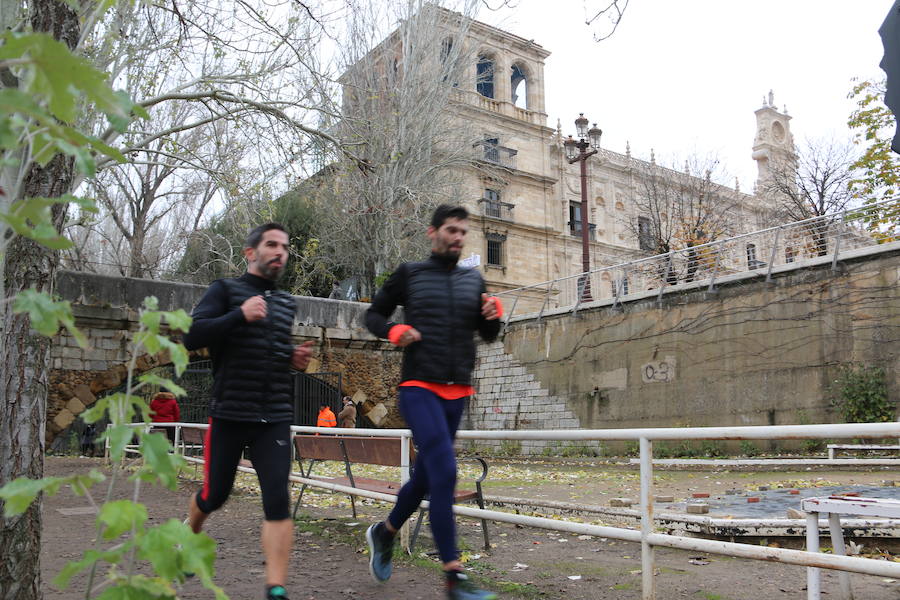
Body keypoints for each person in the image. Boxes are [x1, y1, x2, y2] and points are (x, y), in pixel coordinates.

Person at [363, 205, 502, 600]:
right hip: (419, 387)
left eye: (463, 232)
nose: (457, 238)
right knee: (444, 471)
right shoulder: (410, 274)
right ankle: (453, 575)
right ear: (433, 232)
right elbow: (373, 315)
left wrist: (492, 316)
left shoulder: (474, 281)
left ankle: (384, 532)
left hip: (458, 391)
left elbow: (489, 334)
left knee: (427, 475)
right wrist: (395, 330)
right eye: (451, 230)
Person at [182, 223, 315, 600]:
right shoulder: (224, 291)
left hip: (273, 415)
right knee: (215, 495)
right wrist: (239, 315)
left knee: (277, 497)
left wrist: (292, 359)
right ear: (250, 252)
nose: (280, 252)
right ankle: (188, 535)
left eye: (285, 247)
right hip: (228, 413)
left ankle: (276, 588)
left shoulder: (286, 302)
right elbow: (192, 335)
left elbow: (266, 352)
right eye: (272, 245)